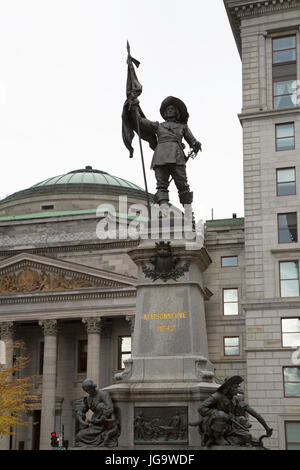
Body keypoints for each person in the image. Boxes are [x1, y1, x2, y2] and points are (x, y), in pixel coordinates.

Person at [138, 96, 202, 209]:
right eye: (167, 109)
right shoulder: (158, 125)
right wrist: (134, 106)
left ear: (176, 112)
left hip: (177, 157)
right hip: (160, 157)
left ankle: (188, 211)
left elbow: (192, 140)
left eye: (172, 109)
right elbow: (142, 122)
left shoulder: (183, 127)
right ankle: (164, 210)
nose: (169, 110)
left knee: (182, 184)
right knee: (161, 185)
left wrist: (196, 144)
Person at [191, 376, 273, 447]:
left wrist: (267, 428)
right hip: (214, 426)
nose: (237, 389)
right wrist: (217, 413)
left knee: (247, 436)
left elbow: (254, 413)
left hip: (230, 426)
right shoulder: (217, 396)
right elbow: (201, 408)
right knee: (221, 415)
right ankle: (217, 438)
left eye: (237, 387)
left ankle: (230, 441)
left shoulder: (236, 399)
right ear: (228, 388)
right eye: (234, 387)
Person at [75, 379, 119, 447]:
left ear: (93, 387)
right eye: (86, 390)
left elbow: (110, 408)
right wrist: (83, 422)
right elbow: (80, 411)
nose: (88, 392)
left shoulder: (103, 394)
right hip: (94, 424)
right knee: (79, 436)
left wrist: (101, 418)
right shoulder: (88, 399)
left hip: (105, 423)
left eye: (89, 389)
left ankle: (101, 438)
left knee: (100, 405)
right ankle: (97, 440)